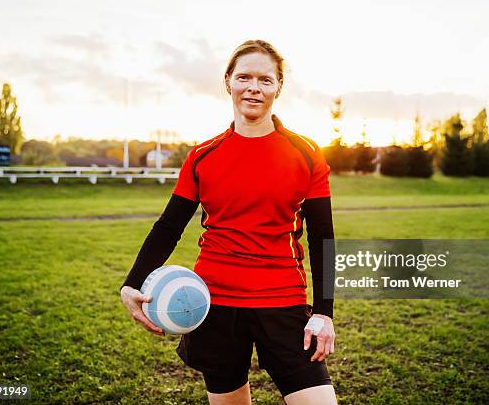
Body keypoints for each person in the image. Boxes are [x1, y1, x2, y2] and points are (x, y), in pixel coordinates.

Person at [120, 39, 337, 405]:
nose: (254, 87)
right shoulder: (203, 156)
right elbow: (169, 226)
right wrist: (131, 283)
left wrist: (324, 312)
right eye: (244, 77)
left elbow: (322, 236)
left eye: (265, 80)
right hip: (213, 304)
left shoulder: (307, 153)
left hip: (282, 299)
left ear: (279, 87)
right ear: (228, 82)